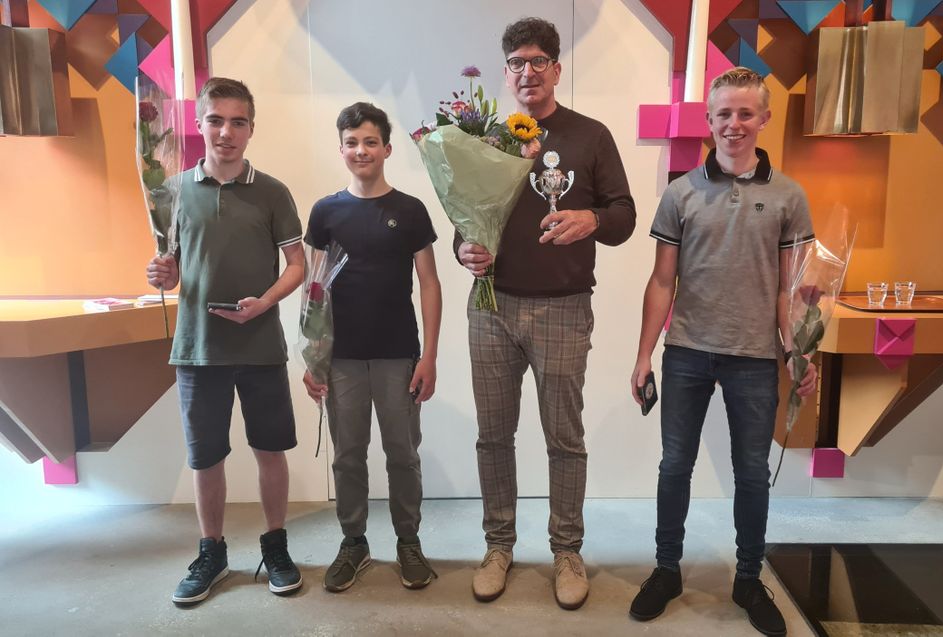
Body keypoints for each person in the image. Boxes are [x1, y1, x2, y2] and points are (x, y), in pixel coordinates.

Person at [628, 67, 818, 636]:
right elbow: (662, 281)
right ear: (708, 122)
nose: (733, 124)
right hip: (685, 351)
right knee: (674, 467)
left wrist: (799, 351)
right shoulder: (681, 193)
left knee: (753, 472)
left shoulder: (790, 196)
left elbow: (793, 287)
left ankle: (747, 577)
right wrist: (643, 356)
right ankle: (666, 569)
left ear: (763, 119)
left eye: (744, 113)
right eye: (722, 114)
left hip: (755, 358)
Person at [455, 17, 636, 610]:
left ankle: (566, 551)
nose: (526, 72)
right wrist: (463, 248)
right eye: (515, 63)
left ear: (557, 68)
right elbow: (464, 217)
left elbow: (625, 214)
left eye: (537, 61)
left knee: (565, 438)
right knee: (492, 437)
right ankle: (498, 546)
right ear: (505, 74)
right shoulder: (484, 136)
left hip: (563, 307)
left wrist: (593, 220)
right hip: (491, 307)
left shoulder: (590, 136)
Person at [146, 77, 305, 606]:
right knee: (205, 457)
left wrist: (266, 302)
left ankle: (276, 547)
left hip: (260, 347)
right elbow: (170, 272)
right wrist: (161, 275)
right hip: (197, 349)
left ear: (251, 129)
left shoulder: (273, 192)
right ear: (199, 124)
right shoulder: (170, 193)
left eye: (238, 122)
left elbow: (298, 266)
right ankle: (211, 553)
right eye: (216, 120)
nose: (227, 132)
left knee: (270, 450)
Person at [302, 102, 442, 592]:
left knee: (402, 453)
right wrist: (314, 356)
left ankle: (409, 542)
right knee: (348, 454)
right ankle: (354, 542)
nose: (360, 150)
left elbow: (429, 282)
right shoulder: (325, 212)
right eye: (351, 142)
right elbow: (314, 290)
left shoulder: (409, 211)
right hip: (340, 358)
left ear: (386, 147)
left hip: (398, 354)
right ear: (341, 149)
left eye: (369, 141)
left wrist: (428, 356)